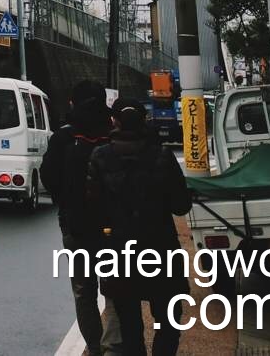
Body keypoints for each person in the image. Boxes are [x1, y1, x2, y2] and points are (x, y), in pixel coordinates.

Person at [87, 98, 192, 356]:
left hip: (119, 251)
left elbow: (93, 209)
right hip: (161, 247)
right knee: (168, 320)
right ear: (144, 121)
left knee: (129, 323)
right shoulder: (162, 156)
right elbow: (180, 206)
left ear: (115, 121)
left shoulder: (100, 156)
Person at [40, 79, 117, 356]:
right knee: (115, 288)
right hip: (114, 224)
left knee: (84, 290)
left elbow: (47, 176)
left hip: (75, 223)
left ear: (73, 102)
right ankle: (114, 345)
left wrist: (66, 199)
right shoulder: (114, 133)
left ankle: (95, 348)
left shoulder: (63, 137)